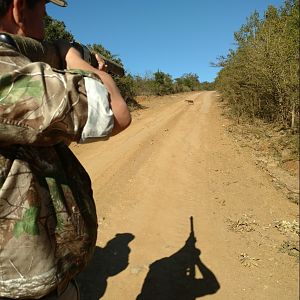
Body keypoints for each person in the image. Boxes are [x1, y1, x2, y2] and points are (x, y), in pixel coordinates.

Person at [0, 0, 131, 299]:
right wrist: (71, 54)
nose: (47, 16)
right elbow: (117, 113)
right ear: (19, 9)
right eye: (42, 7)